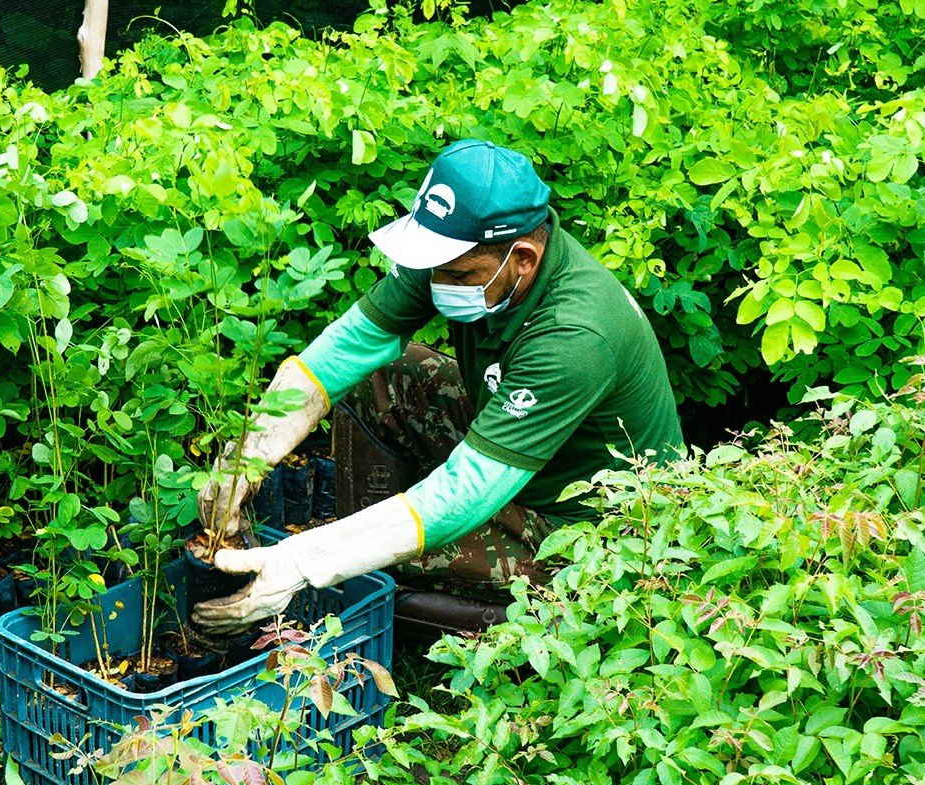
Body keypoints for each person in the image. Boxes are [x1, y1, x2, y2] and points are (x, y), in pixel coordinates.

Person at [192, 139, 683, 635]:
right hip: (524, 448)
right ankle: (370, 528)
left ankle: (505, 616)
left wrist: (306, 561)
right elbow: (348, 348)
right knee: (386, 373)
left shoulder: (576, 338)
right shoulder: (459, 253)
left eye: (456, 274)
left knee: (369, 562)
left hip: (589, 527)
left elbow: (464, 492)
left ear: (524, 260)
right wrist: (247, 455)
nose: (437, 281)